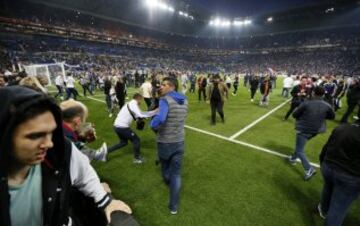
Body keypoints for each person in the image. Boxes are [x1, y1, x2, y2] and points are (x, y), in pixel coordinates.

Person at [0, 86, 132, 226]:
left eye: (51, 133)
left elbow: (84, 172)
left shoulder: (61, 148)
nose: (49, 143)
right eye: (35, 136)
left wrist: (105, 201)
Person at [150, 77, 188, 215]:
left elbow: (160, 118)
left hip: (166, 141)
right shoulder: (185, 100)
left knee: (165, 168)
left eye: (164, 85)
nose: (161, 86)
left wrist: (151, 124)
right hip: (179, 141)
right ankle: (174, 206)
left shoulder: (165, 100)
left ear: (172, 87)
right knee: (176, 173)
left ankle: (169, 182)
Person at [317, 119, 360, 226]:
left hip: (328, 167)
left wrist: (323, 163)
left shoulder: (342, 128)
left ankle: (323, 210)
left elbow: (326, 148)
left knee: (327, 188)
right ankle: (325, 211)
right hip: (350, 176)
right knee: (338, 209)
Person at [288, 86, 335, 180]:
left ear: (313, 93)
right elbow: (332, 116)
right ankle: (293, 159)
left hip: (304, 129)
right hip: (316, 131)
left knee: (299, 150)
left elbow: (294, 114)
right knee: (300, 146)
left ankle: (309, 169)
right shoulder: (327, 105)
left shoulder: (307, 103)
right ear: (323, 94)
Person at [108, 93, 157, 164]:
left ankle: (106, 151)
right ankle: (136, 159)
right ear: (138, 99)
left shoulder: (129, 103)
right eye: (141, 100)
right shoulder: (133, 104)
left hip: (116, 126)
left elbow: (134, 115)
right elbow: (141, 114)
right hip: (122, 127)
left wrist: (138, 120)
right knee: (136, 139)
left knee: (123, 143)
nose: (141, 102)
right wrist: (155, 112)